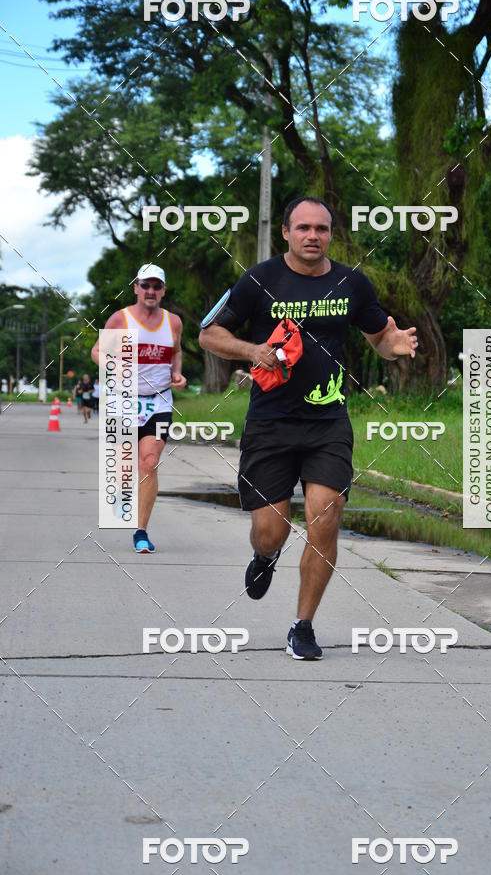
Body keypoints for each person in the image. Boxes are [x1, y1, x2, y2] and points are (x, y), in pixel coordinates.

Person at [199, 197, 417, 660]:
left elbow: (379, 338)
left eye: (321, 228)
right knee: (270, 531)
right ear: (286, 232)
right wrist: (252, 350)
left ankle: (303, 626)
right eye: (303, 228)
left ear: (331, 234)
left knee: (325, 516)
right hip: (270, 424)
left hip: (328, 423)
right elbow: (208, 333)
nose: (312, 235)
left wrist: (393, 344)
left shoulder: (351, 283)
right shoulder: (259, 280)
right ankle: (265, 557)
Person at [91, 264, 186, 552]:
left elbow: (177, 350)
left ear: (163, 291)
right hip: (123, 402)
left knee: (149, 462)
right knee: (125, 469)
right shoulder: (121, 319)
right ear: (136, 287)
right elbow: (97, 351)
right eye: (145, 285)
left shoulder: (174, 322)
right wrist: (114, 365)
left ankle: (140, 531)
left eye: (157, 286)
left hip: (158, 402)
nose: (151, 291)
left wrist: (176, 373)